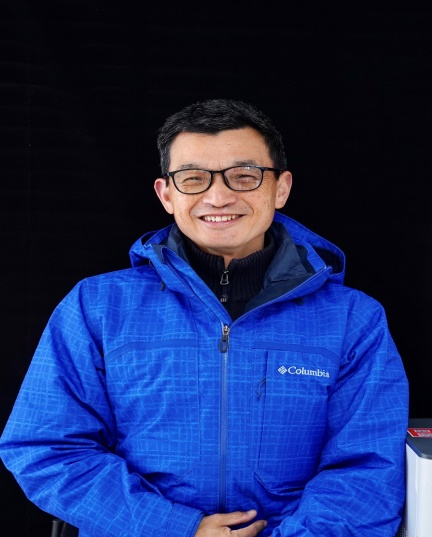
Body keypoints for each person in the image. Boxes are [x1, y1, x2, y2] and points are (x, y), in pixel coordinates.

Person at [0, 98, 408, 537]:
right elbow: (47, 449)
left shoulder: (353, 320)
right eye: (194, 179)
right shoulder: (97, 306)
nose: (218, 196)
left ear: (281, 188)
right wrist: (177, 528)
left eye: (244, 176)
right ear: (167, 194)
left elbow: (368, 470)